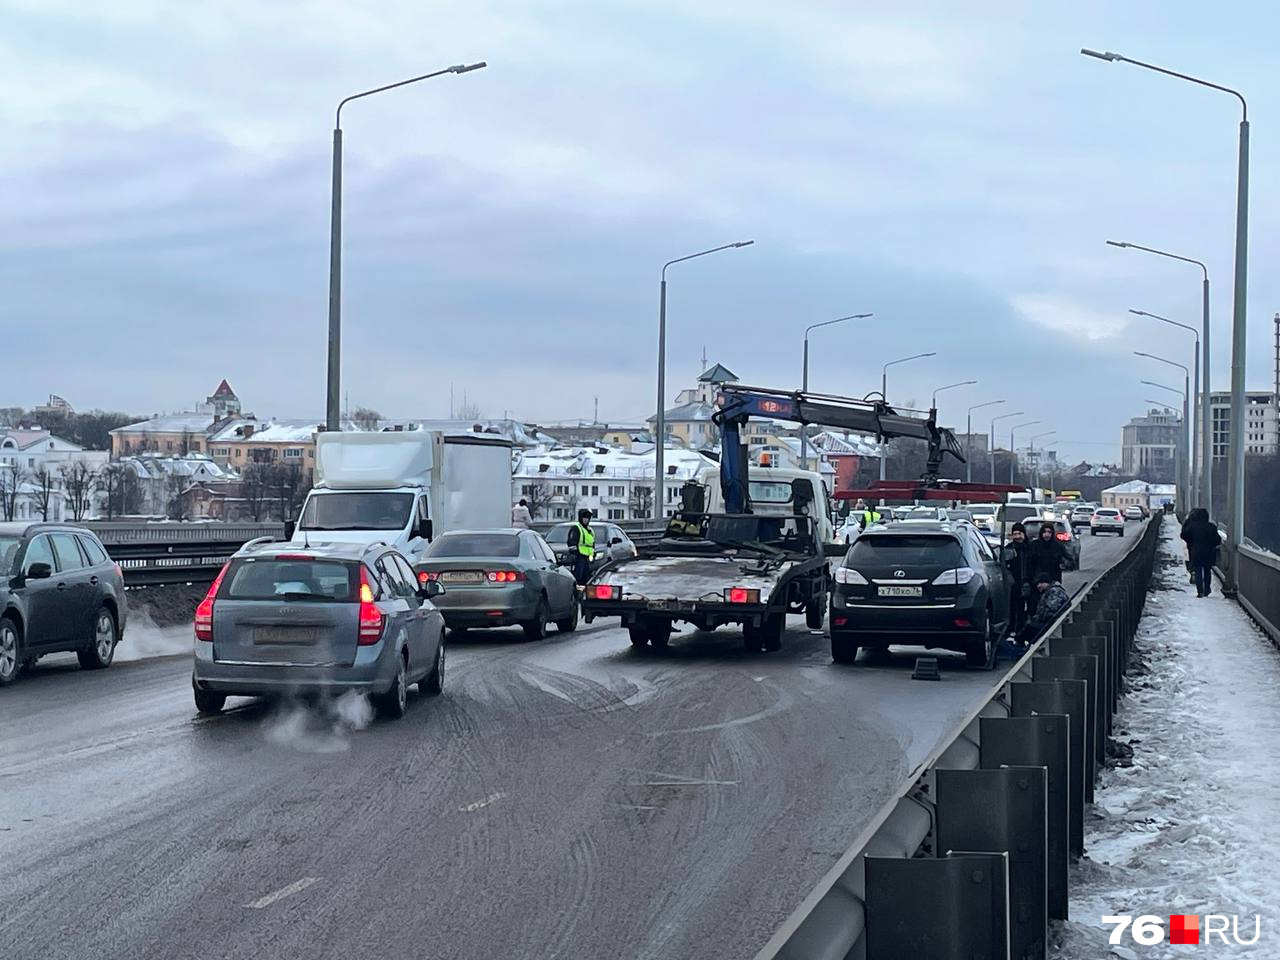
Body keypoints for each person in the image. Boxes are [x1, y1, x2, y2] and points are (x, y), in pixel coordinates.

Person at [1018, 572, 1071, 645]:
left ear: (1046, 582)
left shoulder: (1055, 591)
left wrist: (1039, 617)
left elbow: (1052, 610)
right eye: (1037, 584)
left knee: (1029, 628)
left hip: (1055, 623)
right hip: (1051, 622)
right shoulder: (1049, 592)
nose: (1038, 586)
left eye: (1040, 583)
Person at [1180, 507, 1220, 598]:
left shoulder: (1192, 526)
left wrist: (1191, 542)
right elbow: (1217, 540)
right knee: (1207, 571)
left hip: (1196, 551)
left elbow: (1183, 535)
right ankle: (1207, 589)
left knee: (1198, 570)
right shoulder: (1211, 527)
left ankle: (1200, 591)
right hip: (1209, 553)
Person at [1004, 522, 1033, 636]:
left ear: (1024, 534)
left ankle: (1025, 631)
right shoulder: (1009, 548)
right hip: (1014, 584)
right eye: (1014, 534)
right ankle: (1013, 630)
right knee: (1014, 608)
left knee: (1029, 609)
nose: (1017, 537)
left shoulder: (1030, 548)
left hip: (1029, 582)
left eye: (1019, 533)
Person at [1026, 521, 1067, 585]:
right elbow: (1029, 563)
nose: (1046, 534)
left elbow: (1067, 559)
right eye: (1044, 532)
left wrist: (1063, 563)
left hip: (1053, 579)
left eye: (1049, 532)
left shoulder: (1058, 546)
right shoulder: (1034, 545)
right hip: (1037, 580)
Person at [564, 508, 596, 586]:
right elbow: (571, 541)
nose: (586, 520)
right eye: (584, 518)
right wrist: (574, 554)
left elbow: (592, 544)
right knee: (579, 576)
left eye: (587, 518)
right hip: (579, 556)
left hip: (588, 557)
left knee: (587, 577)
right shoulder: (576, 528)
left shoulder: (590, 530)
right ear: (580, 518)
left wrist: (593, 554)